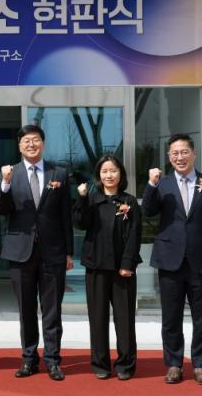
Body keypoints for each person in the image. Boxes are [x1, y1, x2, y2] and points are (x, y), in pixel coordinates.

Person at [0, 124, 73, 381]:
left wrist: (69, 252)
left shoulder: (58, 173)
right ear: (19, 146)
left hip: (53, 252)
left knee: (52, 310)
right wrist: (5, 184)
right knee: (26, 309)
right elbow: (1, 210)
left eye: (36, 140)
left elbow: (65, 216)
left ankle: (52, 360)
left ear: (43, 143)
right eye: (26, 141)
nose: (31, 144)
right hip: (20, 252)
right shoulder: (10, 174)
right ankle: (29, 359)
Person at [73, 155, 141, 380]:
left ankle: (125, 364)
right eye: (104, 171)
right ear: (98, 175)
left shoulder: (129, 201)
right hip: (96, 267)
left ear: (120, 174)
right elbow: (80, 223)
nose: (109, 175)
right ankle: (100, 364)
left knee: (125, 319)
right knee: (97, 318)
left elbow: (135, 235)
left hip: (123, 270)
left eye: (113, 170)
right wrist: (82, 197)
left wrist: (127, 264)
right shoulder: (92, 199)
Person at [141, 133, 202, 385]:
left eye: (184, 152)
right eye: (175, 153)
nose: (180, 157)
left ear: (193, 153)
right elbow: (147, 211)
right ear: (169, 156)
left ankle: (199, 364)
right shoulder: (162, 183)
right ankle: (174, 364)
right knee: (171, 317)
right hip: (170, 260)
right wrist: (151, 184)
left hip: (199, 260)